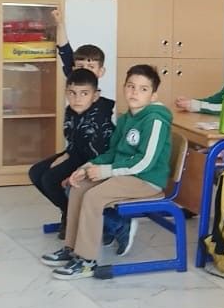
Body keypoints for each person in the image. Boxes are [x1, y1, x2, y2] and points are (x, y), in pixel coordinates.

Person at [43, 64, 173, 279]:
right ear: (124, 88)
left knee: (93, 196)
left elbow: (145, 162)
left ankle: (86, 261)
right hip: (125, 174)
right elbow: (113, 152)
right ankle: (71, 248)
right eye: (130, 86)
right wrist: (86, 167)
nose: (135, 92)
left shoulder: (155, 120)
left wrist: (106, 171)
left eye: (143, 89)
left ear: (153, 95)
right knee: (79, 187)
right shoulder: (127, 117)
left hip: (146, 180)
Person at [29, 68, 116, 236]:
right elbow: (73, 141)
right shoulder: (71, 111)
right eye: (72, 93)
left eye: (84, 94)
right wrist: (64, 156)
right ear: (66, 93)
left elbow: (97, 156)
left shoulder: (99, 119)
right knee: (36, 172)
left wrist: (73, 174)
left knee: (49, 179)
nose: (77, 99)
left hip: (96, 162)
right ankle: (69, 212)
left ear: (95, 95)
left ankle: (74, 216)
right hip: (78, 154)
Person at [51, 8, 107, 79]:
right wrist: (60, 23)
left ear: (101, 71)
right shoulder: (73, 74)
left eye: (91, 67)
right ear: (74, 69)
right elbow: (64, 48)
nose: (85, 71)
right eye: (80, 66)